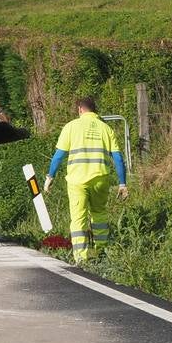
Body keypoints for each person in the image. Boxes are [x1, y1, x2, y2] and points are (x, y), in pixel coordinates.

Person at [43, 97, 128, 264]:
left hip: (77, 181)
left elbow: (59, 156)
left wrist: (50, 176)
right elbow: (118, 158)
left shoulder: (71, 127)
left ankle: (81, 258)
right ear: (94, 110)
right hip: (100, 178)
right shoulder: (106, 128)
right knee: (99, 214)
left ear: (80, 109)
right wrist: (122, 183)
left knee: (78, 219)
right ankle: (101, 252)